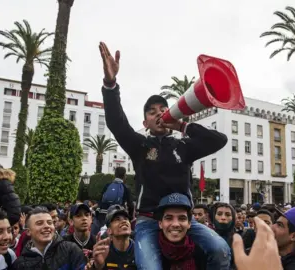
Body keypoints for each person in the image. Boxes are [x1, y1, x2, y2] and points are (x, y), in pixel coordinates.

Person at [99, 41, 230, 270]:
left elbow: (220, 140)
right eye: (152, 112)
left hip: (182, 219)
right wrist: (111, 84)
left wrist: (183, 126)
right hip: (149, 221)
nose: (159, 114)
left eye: (163, 110)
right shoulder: (139, 145)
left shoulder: (184, 146)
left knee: (220, 250)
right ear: (145, 123)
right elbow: (116, 122)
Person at [11, 207, 87, 269]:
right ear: (28, 232)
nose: (47, 226)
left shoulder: (71, 250)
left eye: (50, 223)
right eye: (39, 223)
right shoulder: (19, 265)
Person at [154, 193, 207, 269]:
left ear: (189, 224)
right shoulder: (150, 253)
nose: (175, 224)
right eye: (169, 218)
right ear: (160, 223)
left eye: (182, 218)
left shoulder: (199, 253)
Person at [89, 205, 135, 269]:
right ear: (109, 231)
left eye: (126, 219)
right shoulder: (103, 252)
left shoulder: (140, 250)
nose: (124, 221)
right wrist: (98, 266)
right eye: (117, 219)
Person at [93, 167, 134, 236]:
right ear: (125, 176)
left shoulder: (107, 185)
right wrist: (129, 218)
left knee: (100, 236)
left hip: (102, 216)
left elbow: (100, 200)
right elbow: (131, 205)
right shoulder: (125, 188)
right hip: (116, 217)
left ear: (115, 175)